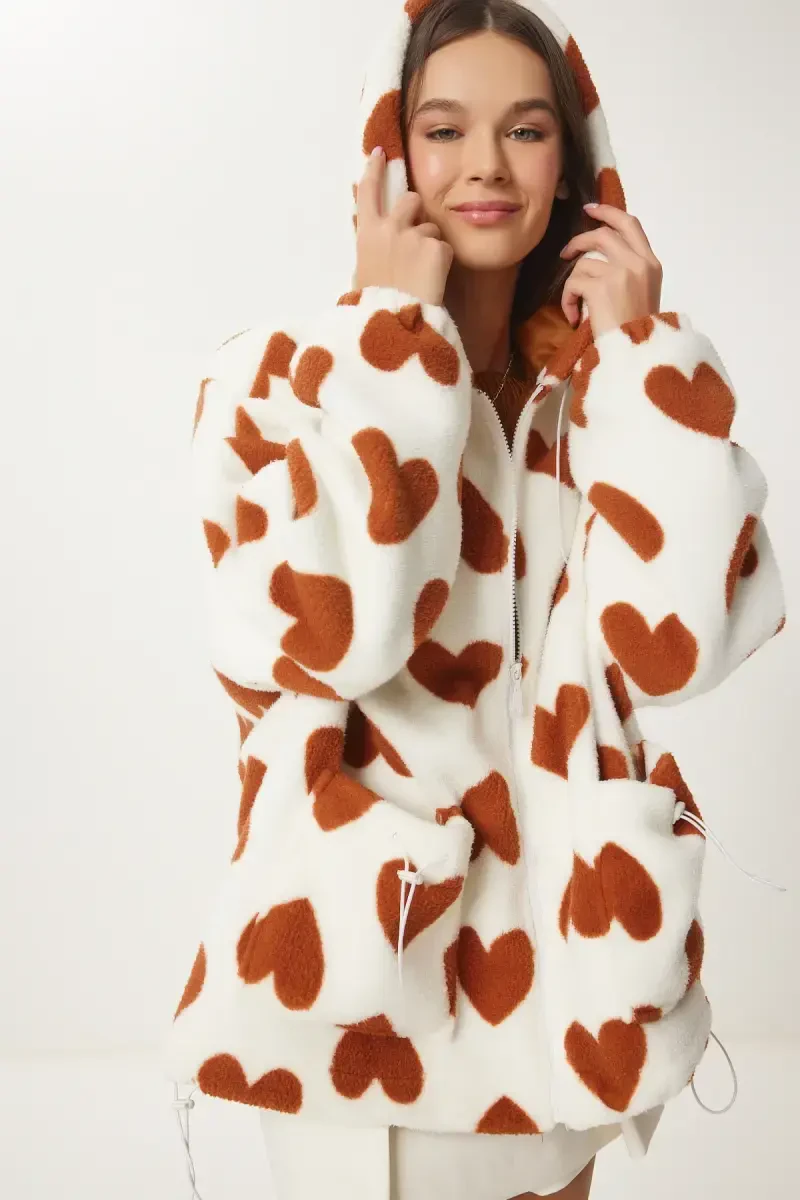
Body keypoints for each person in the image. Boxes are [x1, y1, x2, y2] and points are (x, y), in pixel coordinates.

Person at [164, 1, 787, 1197]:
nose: (486, 166)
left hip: (568, 1000)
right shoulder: (274, 382)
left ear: (574, 167)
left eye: (526, 130)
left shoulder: (606, 402)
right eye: (444, 129)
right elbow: (338, 635)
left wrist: (643, 360)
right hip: (369, 1002)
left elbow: (676, 654)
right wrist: (391, 342)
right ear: (388, 153)